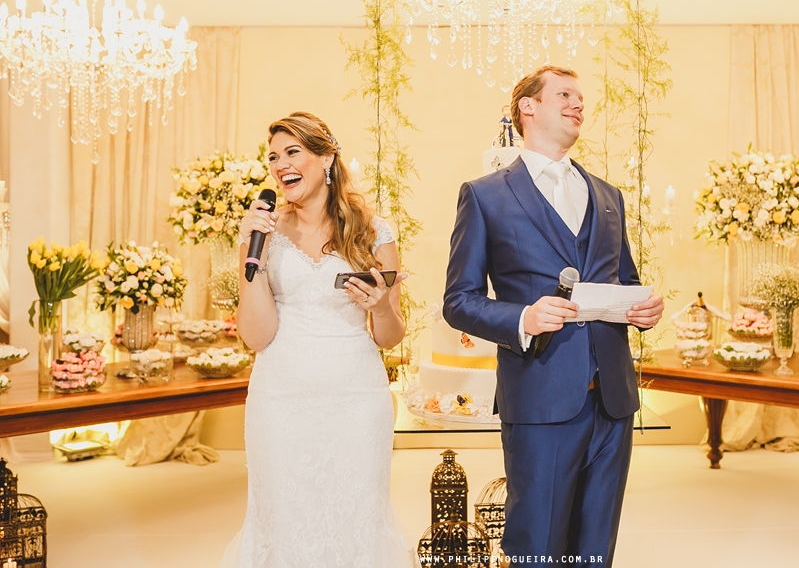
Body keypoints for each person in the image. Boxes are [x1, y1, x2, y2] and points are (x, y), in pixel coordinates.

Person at [443, 65, 664, 566]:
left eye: (581, 97)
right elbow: (459, 300)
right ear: (529, 107)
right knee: (537, 546)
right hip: (539, 398)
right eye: (565, 94)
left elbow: (623, 280)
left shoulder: (609, 197)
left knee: (595, 546)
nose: (578, 104)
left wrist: (643, 307)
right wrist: (523, 317)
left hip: (612, 400)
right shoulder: (484, 195)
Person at [221, 111, 411, 567]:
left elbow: (390, 336)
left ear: (325, 158)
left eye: (293, 152)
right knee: (283, 517)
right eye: (272, 157)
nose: (280, 164)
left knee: (358, 516)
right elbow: (256, 335)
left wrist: (380, 305)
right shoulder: (263, 234)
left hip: (356, 398)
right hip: (280, 397)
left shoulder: (374, 231)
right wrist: (251, 256)